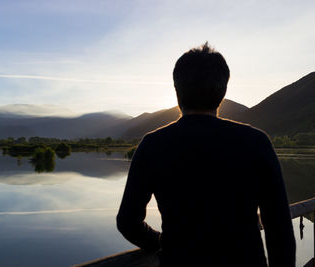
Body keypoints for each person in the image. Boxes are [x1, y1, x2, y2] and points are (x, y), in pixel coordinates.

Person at [116, 42, 296, 267]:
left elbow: (127, 222)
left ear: (176, 90)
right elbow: (278, 227)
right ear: (223, 91)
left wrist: (161, 241)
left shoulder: (152, 145)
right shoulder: (256, 142)